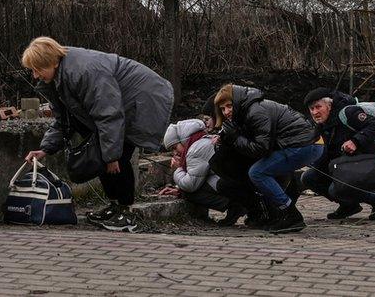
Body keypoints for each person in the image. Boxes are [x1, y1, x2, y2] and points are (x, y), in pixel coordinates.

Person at [21, 37, 173, 233]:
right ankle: (114, 206)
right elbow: (63, 120)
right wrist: (45, 149)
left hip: (140, 102)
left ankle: (126, 211)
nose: (35, 76)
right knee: (103, 156)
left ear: (52, 62)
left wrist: (112, 156)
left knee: (119, 159)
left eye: (37, 69)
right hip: (118, 108)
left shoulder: (84, 71)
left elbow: (109, 113)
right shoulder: (59, 77)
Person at [214, 84, 323, 234]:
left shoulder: (255, 111)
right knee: (261, 171)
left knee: (257, 172)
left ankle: (291, 214)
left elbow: (260, 148)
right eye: (222, 108)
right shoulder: (249, 110)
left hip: (304, 145)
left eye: (229, 106)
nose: (226, 112)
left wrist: (235, 137)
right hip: (303, 143)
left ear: (238, 102)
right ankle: (277, 214)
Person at [300, 88, 375, 221]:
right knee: (308, 178)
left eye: (318, 107)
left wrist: (356, 141)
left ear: (329, 105)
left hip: (360, 162)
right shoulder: (320, 125)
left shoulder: (348, 113)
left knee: (337, 189)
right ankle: (349, 206)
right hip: (339, 165)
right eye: (311, 109)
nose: (315, 112)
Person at [159, 118, 245, 225]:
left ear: (182, 140)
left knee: (188, 193)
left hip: (231, 185)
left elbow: (191, 185)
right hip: (236, 181)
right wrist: (178, 188)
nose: (175, 152)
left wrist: (178, 169)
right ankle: (236, 205)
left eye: (174, 147)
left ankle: (234, 205)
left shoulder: (195, 149)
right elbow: (198, 173)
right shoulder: (202, 140)